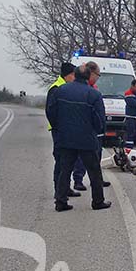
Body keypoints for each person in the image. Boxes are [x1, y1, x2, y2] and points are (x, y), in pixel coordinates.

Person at [46, 65, 111, 212]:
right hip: (87, 139)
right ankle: (98, 201)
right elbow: (100, 119)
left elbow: (51, 111)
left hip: (65, 137)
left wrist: (58, 127)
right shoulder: (93, 94)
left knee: (65, 170)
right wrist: (97, 131)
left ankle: (61, 201)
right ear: (88, 77)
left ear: (75, 75)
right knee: (94, 171)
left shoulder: (60, 91)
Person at [73, 60, 111, 190]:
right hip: (86, 129)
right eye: (98, 75)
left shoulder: (94, 88)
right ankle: (78, 179)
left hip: (95, 130)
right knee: (81, 156)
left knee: (96, 156)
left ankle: (97, 180)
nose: (98, 78)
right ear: (92, 73)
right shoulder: (85, 89)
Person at [47, 62, 80, 201]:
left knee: (69, 160)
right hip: (59, 131)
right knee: (60, 160)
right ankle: (58, 190)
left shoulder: (65, 87)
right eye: (73, 75)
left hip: (67, 130)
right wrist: (58, 127)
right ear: (68, 75)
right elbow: (50, 111)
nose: (75, 78)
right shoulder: (56, 88)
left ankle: (66, 188)